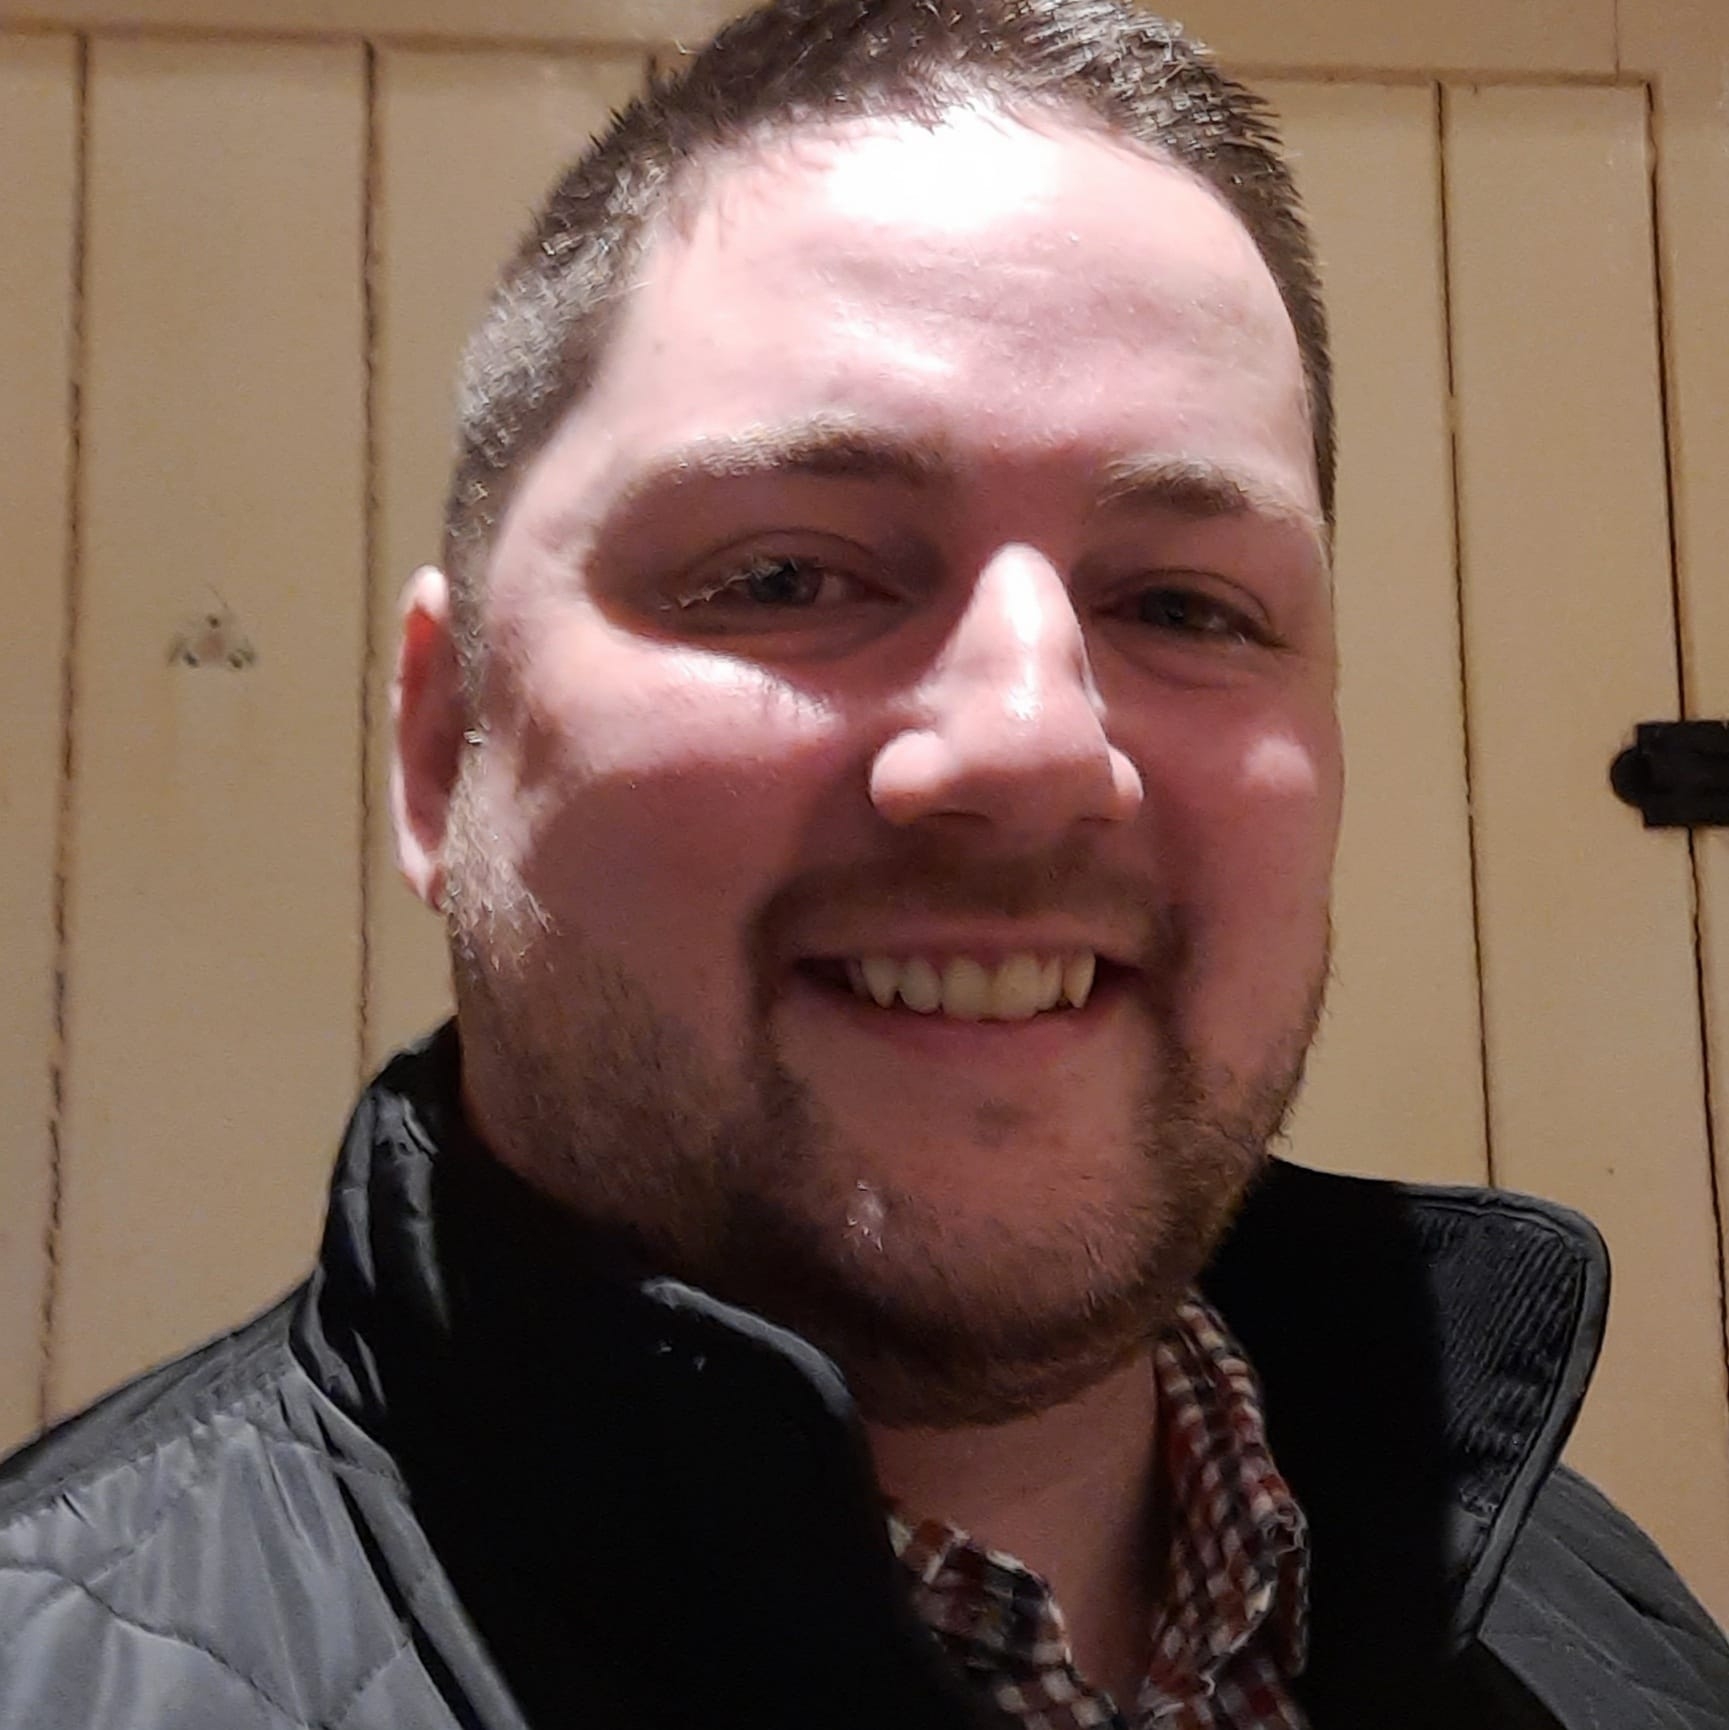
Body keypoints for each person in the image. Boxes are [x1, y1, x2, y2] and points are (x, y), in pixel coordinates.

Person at [2, 1, 1726, 1724]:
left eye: (1183, 604)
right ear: (445, 742)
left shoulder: (1605, 1620)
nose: (1032, 744)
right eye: (783, 577)